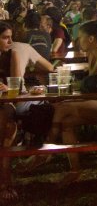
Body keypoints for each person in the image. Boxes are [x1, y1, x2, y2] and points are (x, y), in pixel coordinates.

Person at [18, 21, 97, 183]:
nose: (76, 41)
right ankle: (75, 169)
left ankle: (45, 152)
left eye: (80, 38)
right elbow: (90, 87)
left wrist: (70, 92)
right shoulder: (94, 54)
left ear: (91, 39)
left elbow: (92, 87)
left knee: (62, 107)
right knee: (66, 122)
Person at [0, 21, 54, 202]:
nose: (10, 41)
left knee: (8, 123)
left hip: (7, 102)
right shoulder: (19, 50)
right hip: (8, 103)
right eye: (5, 37)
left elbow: (14, 88)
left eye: (11, 37)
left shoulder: (13, 53)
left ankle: (6, 178)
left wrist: (7, 87)